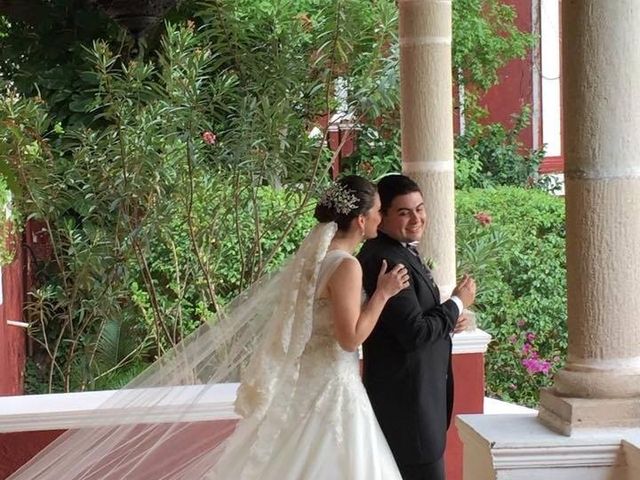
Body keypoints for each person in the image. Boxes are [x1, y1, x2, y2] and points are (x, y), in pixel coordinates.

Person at [9, 175, 408, 480]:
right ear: (361, 220)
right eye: (377, 212)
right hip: (331, 387)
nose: (379, 218)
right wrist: (383, 295)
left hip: (306, 383)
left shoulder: (313, 262)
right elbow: (349, 337)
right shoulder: (346, 265)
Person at [358, 174, 477, 480]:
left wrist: (449, 319)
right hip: (407, 405)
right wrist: (458, 303)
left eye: (420, 209)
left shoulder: (399, 249)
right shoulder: (386, 260)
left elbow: (412, 320)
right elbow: (415, 333)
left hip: (414, 400)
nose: (417, 219)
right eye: (404, 212)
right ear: (381, 216)